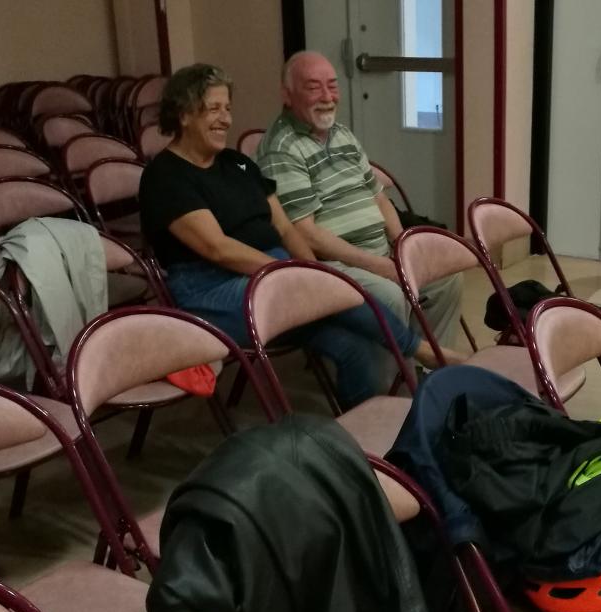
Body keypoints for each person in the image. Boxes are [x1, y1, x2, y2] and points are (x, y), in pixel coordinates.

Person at [139, 63, 462, 409]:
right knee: (343, 292)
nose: (226, 119)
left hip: (276, 276)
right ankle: (422, 351)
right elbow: (218, 249)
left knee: (359, 347)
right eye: (213, 109)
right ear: (184, 114)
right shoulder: (166, 177)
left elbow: (284, 227)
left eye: (228, 108)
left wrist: (312, 270)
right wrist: (297, 276)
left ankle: (373, 437)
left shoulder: (237, 164)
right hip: (211, 289)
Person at [255, 50, 463, 344]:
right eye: (313, 87)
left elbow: (379, 198)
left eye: (333, 85)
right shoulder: (283, 148)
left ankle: (430, 373)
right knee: (391, 295)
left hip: (376, 252)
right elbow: (306, 234)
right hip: (334, 263)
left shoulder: (342, 135)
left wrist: (403, 247)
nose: (327, 96)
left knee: (445, 279)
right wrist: (375, 264)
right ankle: (398, 382)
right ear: (287, 95)